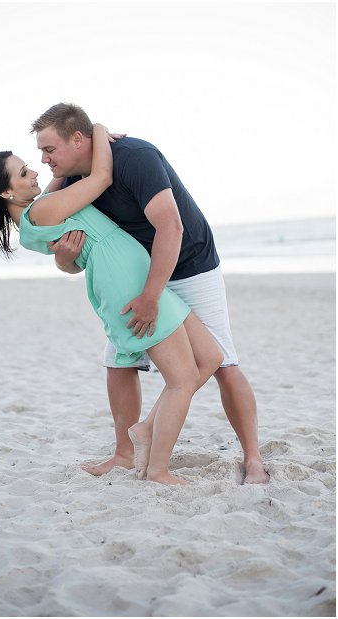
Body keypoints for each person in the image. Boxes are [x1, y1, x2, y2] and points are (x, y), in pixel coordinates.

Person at [0, 124, 224, 484]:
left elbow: (63, 222)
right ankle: (157, 470)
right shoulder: (43, 212)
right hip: (126, 282)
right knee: (183, 378)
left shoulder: (38, 210)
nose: (34, 170)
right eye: (22, 172)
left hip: (138, 274)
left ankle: (144, 430)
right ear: (6, 191)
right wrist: (97, 129)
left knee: (212, 357)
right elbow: (103, 177)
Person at [33, 103, 268, 484]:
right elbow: (72, 260)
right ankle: (125, 453)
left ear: (78, 139)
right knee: (118, 363)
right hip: (135, 276)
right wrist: (65, 260)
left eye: (49, 149)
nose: (43, 159)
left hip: (190, 265)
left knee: (223, 362)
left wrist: (151, 297)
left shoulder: (136, 157)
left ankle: (253, 458)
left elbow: (171, 227)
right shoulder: (71, 183)